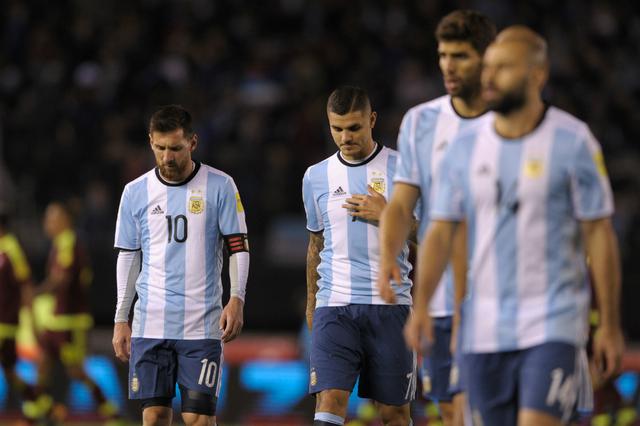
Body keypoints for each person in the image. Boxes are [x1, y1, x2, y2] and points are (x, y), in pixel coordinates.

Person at [404, 26, 624, 426]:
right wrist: (421, 307)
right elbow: (440, 231)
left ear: (537, 75)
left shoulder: (574, 142)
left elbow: (599, 234)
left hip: (553, 322)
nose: (489, 77)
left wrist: (608, 323)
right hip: (483, 327)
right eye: (488, 66)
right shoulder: (466, 148)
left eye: (503, 68)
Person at [377, 10, 496, 425]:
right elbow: (400, 203)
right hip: (441, 298)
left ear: (487, 58)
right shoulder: (421, 121)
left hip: (502, 297)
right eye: (443, 54)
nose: (448, 65)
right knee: (449, 408)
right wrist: (388, 255)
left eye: (460, 55)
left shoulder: (512, 120)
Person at [112, 104, 249, 426]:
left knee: (198, 418)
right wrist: (121, 317)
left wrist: (237, 298)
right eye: (160, 148)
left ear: (193, 143)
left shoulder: (221, 185)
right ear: (150, 142)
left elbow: (238, 248)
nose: (167, 157)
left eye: (175, 148)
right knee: (155, 416)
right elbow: (129, 255)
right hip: (150, 324)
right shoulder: (135, 192)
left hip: (200, 325)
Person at [302, 86, 416, 426]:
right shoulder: (315, 176)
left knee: (394, 413)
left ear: (372, 120)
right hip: (334, 305)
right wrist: (312, 303)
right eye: (337, 128)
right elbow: (315, 243)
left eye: (354, 128)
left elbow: (430, 235)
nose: (345, 136)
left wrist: (389, 215)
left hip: (391, 305)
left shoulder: (403, 169)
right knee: (330, 400)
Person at [36, 201, 119, 422]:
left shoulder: (68, 242)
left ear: (64, 221)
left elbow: (60, 278)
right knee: (44, 364)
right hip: (57, 320)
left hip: (70, 320)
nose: (47, 223)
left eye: (52, 218)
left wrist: (36, 293)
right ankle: (39, 414)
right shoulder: (61, 243)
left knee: (76, 371)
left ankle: (110, 411)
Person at [0, 211, 43, 421]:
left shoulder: (11, 248)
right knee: (9, 371)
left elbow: (25, 283)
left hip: (5, 322)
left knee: (10, 371)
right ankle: (42, 405)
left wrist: (31, 316)